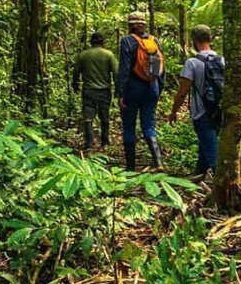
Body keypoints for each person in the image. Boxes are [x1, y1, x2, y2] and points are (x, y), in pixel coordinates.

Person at [165, 24, 225, 181]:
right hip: (219, 109)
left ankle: (221, 181)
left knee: (210, 146)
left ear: (193, 40)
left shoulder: (192, 63)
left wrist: (173, 111)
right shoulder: (222, 60)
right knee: (206, 141)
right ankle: (199, 173)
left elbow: (182, 92)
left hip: (201, 111)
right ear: (210, 39)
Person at [117, 11, 163, 170]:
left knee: (129, 126)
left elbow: (124, 69)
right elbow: (162, 69)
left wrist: (120, 93)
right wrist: (159, 89)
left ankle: (130, 167)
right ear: (144, 24)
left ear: (130, 25)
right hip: (152, 87)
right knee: (149, 125)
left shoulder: (126, 41)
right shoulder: (154, 41)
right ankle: (158, 163)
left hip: (133, 89)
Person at [71, 32, 116, 151]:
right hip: (104, 90)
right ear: (103, 42)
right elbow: (116, 73)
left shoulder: (83, 55)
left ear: (91, 42)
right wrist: (118, 90)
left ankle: (89, 144)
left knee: (88, 117)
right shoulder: (109, 55)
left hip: (88, 90)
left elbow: (76, 72)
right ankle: (105, 142)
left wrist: (75, 84)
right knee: (104, 116)